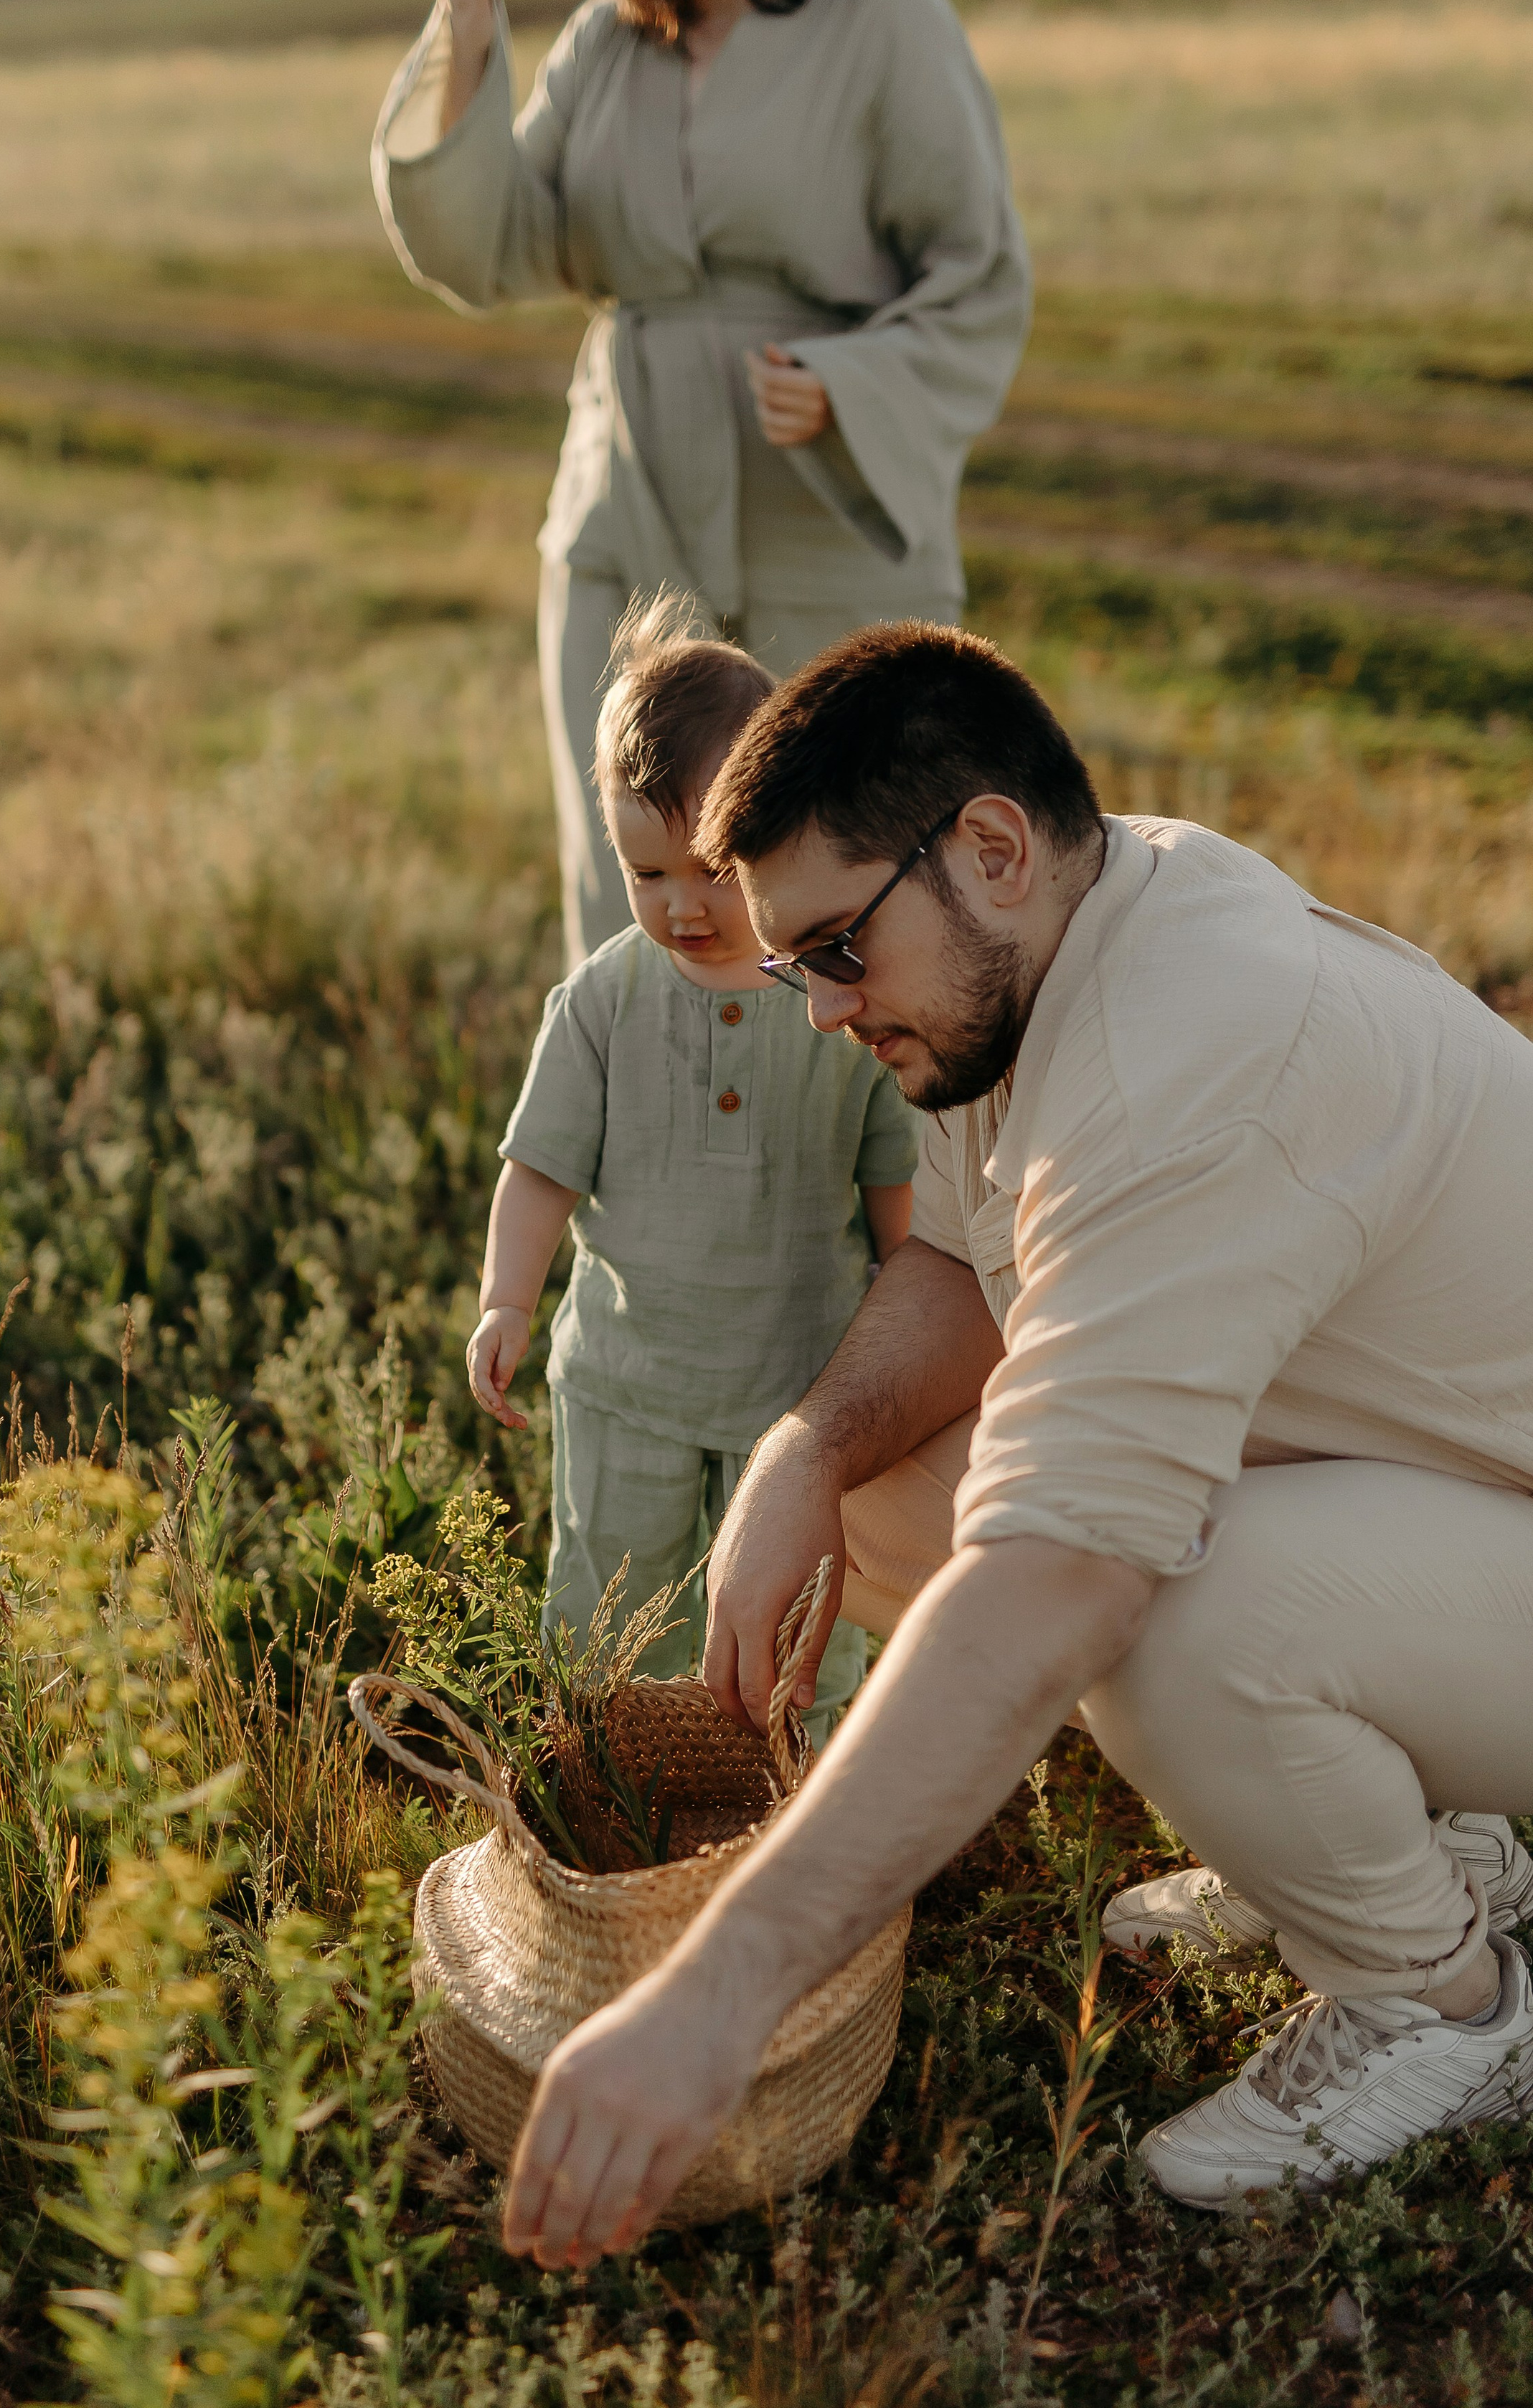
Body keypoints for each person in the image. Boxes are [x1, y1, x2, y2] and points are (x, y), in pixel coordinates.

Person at [496, 620, 1533, 2265]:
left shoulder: (1188, 1057)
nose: (819, 1015)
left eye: (834, 950)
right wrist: (803, 1452)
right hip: (1464, 1494)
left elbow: (1061, 1576)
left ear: (985, 844)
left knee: (1157, 1601)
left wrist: (716, 1997)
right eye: (790, 971)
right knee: (922, 1498)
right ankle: (1379, 1840)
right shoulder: (1062, 934)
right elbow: (962, 1271)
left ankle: (1442, 2003)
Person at [372, 0, 1029, 970]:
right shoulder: (602, 52)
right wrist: (461, 37)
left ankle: (884, 1172)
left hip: (820, 516)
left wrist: (850, 384)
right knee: (633, 888)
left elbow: (979, 274)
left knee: (868, 878)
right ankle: (648, 1166)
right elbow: (486, 246)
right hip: (627, 524)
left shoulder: (883, 16)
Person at [466, 598, 918, 1731]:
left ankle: (783, 1783)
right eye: (643, 873)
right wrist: (506, 1299)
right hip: (632, 1387)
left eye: (711, 870)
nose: (680, 906)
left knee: (798, 1618)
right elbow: (540, 1170)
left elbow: (892, 1195)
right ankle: (624, 1777)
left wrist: (913, 1346)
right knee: (617, 1610)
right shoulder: (606, 1000)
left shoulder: (838, 994)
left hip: (797, 1400)